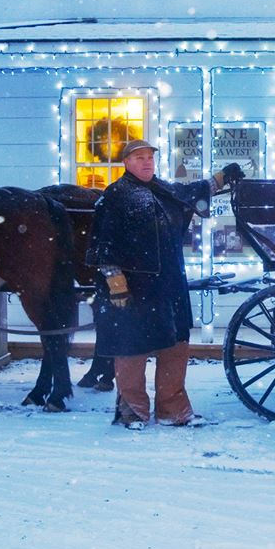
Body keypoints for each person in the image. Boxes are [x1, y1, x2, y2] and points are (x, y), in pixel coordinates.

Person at [86, 139, 244, 430]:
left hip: (170, 285)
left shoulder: (162, 189)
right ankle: (132, 411)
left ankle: (173, 410)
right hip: (135, 288)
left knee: (176, 348)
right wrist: (116, 281)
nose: (146, 162)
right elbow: (102, 244)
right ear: (126, 163)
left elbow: (190, 192)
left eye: (149, 157)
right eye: (139, 158)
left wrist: (221, 177)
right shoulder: (115, 196)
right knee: (132, 349)